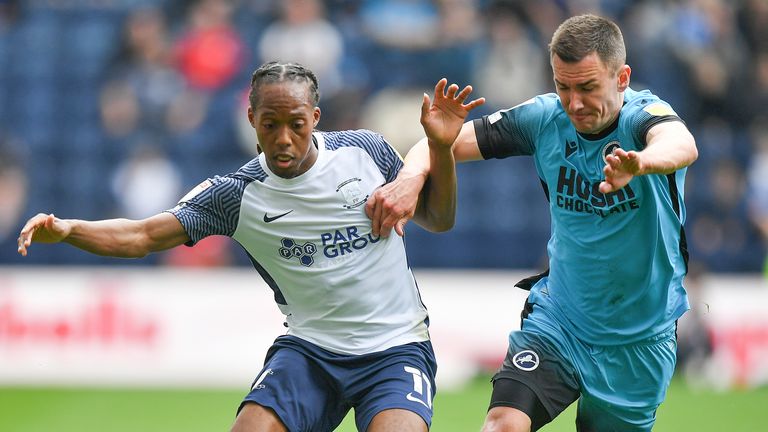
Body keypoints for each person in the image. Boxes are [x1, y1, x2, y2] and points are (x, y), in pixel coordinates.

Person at [16, 61, 484, 432]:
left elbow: (439, 221)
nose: (283, 139)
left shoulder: (366, 152)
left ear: (315, 118)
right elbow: (142, 236)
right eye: (270, 124)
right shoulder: (235, 194)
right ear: (251, 120)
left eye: (296, 124)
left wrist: (439, 151)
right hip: (311, 352)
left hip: (395, 349)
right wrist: (70, 229)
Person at [367, 14, 698, 432]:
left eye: (587, 87)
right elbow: (441, 143)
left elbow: (681, 143)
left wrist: (643, 162)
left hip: (638, 342)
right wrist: (413, 177)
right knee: (502, 425)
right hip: (559, 322)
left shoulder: (643, 117)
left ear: (622, 77)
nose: (574, 103)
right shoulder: (544, 118)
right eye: (564, 87)